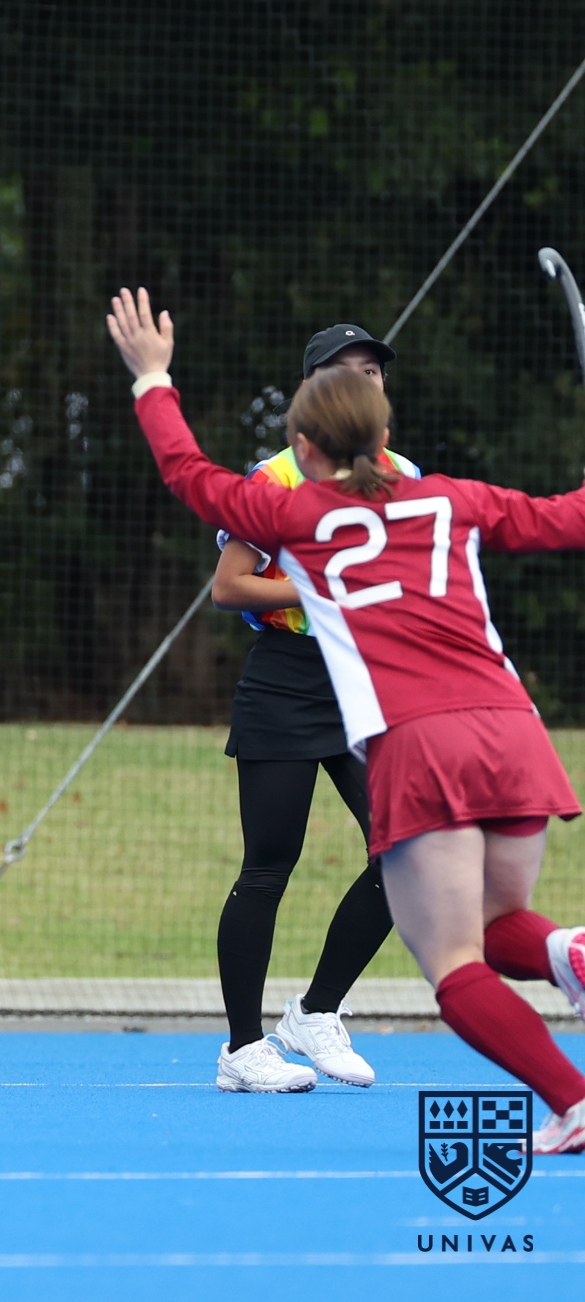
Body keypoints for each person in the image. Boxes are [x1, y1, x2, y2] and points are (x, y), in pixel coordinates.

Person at [107, 288, 585, 1153]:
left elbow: (187, 473)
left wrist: (152, 378)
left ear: (306, 441)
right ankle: (565, 955)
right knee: (497, 925)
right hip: (517, 734)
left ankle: (570, 1087)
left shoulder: (302, 516)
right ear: (380, 428)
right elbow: (571, 518)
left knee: (455, 963)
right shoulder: (453, 499)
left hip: (422, 742)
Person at [206, 323, 411, 1094]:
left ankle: (317, 1012)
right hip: (287, 679)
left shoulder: (401, 475)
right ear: (312, 388)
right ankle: (241, 1048)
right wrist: (320, 585)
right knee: (269, 865)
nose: (364, 379)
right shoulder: (276, 478)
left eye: (373, 370)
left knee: (407, 850)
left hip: (364, 681)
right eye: (346, 369)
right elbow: (230, 587)